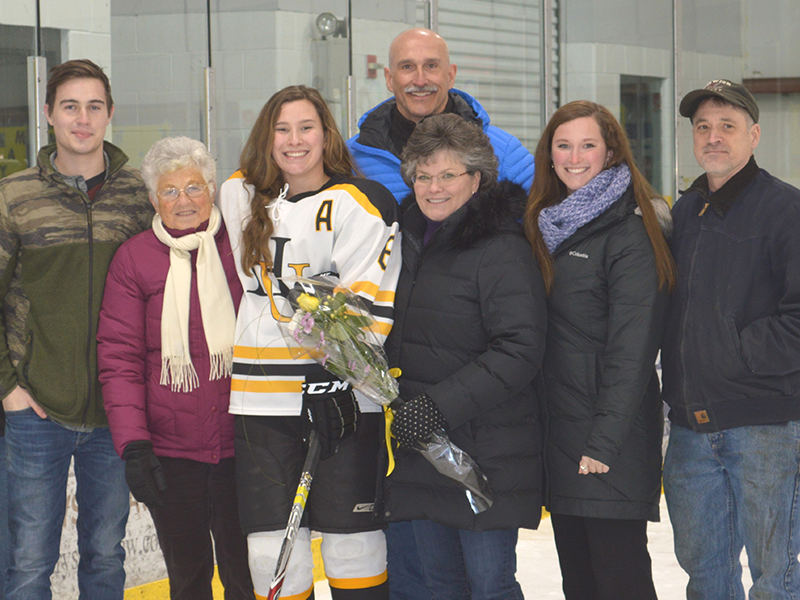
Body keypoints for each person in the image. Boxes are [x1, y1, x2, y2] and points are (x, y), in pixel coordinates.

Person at [218, 85, 401, 600]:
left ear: (326, 135)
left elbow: (367, 309)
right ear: (266, 136)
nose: (293, 140)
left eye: (306, 128)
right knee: (270, 552)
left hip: (343, 396)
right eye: (281, 129)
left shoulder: (363, 203)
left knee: (354, 545)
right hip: (260, 401)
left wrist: (333, 378)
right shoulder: (239, 195)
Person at [0, 59, 154, 599]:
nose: (82, 119)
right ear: (48, 115)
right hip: (36, 411)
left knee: (106, 556)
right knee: (26, 561)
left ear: (110, 115)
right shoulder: (14, 196)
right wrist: (9, 388)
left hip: (117, 411)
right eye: (70, 106)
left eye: (94, 107)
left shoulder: (141, 195)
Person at [384, 113, 546, 599]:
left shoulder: (501, 249)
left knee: (489, 585)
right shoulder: (402, 243)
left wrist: (437, 407)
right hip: (421, 452)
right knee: (442, 586)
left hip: (485, 453)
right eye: (424, 175)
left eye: (449, 175)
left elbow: (519, 349)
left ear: (477, 180)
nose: (434, 188)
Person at [523, 100, 676, 600]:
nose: (574, 156)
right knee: (581, 583)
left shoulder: (630, 229)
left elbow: (633, 349)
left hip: (607, 442)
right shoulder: (548, 225)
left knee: (620, 580)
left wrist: (604, 443)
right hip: (563, 434)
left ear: (611, 152)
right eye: (563, 145)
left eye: (588, 144)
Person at [96, 137, 254, 600]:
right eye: (170, 191)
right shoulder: (135, 259)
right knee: (187, 581)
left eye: (194, 187)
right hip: (171, 453)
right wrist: (135, 446)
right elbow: (119, 358)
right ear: (152, 200)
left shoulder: (243, 247)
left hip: (244, 444)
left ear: (212, 189)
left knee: (248, 578)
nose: (184, 200)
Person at [661, 79, 800, 599]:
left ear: (754, 135)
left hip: (765, 429)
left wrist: (732, 352)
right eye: (703, 127)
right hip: (691, 432)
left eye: (727, 126)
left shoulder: (788, 210)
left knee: (776, 576)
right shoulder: (685, 214)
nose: (713, 137)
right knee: (706, 577)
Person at [347, 28, 534, 202]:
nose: (420, 80)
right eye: (407, 67)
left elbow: (543, 223)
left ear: (450, 75)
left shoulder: (505, 153)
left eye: (431, 66)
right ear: (389, 79)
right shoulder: (353, 158)